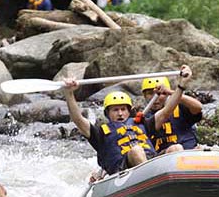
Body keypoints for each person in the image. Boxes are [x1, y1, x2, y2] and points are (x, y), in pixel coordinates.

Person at [63, 66, 193, 175]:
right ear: (107, 113)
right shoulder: (100, 132)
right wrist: (69, 93)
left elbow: (167, 111)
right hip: (124, 170)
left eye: (123, 109)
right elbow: (78, 119)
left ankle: (181, 184)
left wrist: (181, 86)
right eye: (115, 110)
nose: (120, 113)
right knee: (136, 150)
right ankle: (150, 181)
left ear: (129, 111)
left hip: (152, 163)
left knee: (176, 148)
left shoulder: (143, 123)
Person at [141, 76, 203, 153]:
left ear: (167, 95)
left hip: (190, 152)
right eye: (150, 93)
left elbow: (198, 107)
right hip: (163, 157)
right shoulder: (143, 117)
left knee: (203, 149)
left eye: (161, 94)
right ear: (144, 95)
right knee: (176, 148)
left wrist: (171, 92)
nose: (156, 98)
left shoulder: (180, 107)